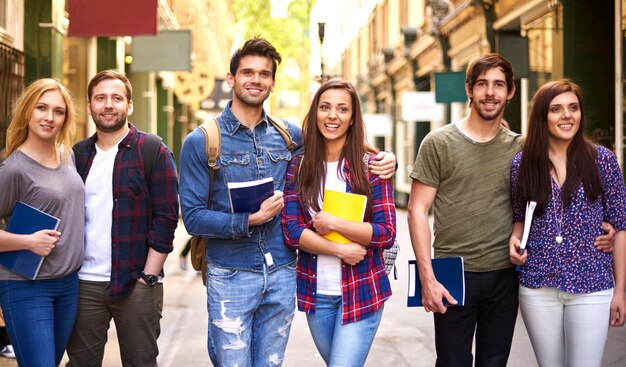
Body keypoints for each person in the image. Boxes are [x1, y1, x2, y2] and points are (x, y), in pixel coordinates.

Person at [178, 38, 395, 366]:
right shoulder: (202, 141)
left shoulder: (288, 137)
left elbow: (334, 134)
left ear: (273, 83)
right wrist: (249, 220)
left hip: (282, 273)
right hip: (230, 274)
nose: (256, 80)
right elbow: (193, 218)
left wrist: (383, 157)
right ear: (231, 78)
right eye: (248, 72)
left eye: (264, 74)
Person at [406, 54, 616, 367]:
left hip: (504, 275)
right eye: (482, 84)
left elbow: (556, 194)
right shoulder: (438, 142)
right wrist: (427, 277)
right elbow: (416, 211)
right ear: (469, 89)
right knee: (451, 362)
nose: (490, 92)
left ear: (510, 92)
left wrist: (604, 227)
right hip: (451, 272)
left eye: (498, 85)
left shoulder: (523, 150)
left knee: (494, 362)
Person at [65, 70, 179, 366]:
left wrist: (149, 276)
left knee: (140, 363)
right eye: (100, 98)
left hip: (136, 282)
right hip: (84, 282)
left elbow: (166, 218)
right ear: (90, 106)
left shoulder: (152, 150)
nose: (108, 105)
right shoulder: (78, 155)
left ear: (129, 105)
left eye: (116, 98)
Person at [509, 80, 626, 366]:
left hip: (592, 285)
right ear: (541, 116)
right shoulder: (522, 164)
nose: (566, 116)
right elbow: (519, 219)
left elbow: (620, 226)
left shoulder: (603, 161)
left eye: (573, 108)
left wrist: (621, 290)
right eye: (556, 109)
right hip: (538, 285)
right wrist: (515, 240)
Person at [282, 79, 396, 366]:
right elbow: (292, 231)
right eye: (325, 107)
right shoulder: (299, 166)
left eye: (342, 109)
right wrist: (341, 250)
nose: (332, 115)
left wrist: (334, 223)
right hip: (316, 294)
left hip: (361, 290)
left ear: (352, 118)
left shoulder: (371, 166)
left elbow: (386, 233)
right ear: (315, 113)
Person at [0, 78, 84, 366]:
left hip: (68, 284)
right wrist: (27, 241)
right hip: (26, 286)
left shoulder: (67, 156)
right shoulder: (14, 168)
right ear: (27, 111)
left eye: (58, 111)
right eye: (42, 108)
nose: (49, 117)